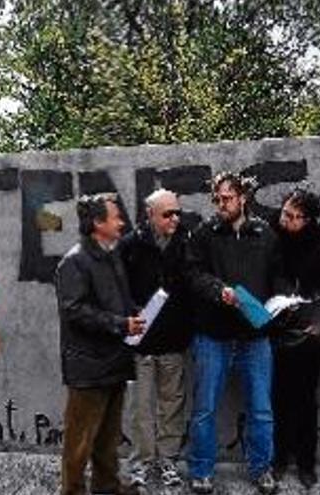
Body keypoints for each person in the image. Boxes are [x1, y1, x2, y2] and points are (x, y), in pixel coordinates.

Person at [185, 171, 288, 495]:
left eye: (226, 198)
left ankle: (261, 469)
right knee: (204, 409)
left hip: (254, 339)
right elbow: (191, 274)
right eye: (216, 198)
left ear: (243, 197)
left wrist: (280, 303)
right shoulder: (203, 233)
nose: (220, 204)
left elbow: (280, 277)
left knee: (260, 409)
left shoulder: (266, 235)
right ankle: (201, 471)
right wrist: (219, 291)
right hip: (212, 337)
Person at [55, 192, 144, 495]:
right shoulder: (75, 262)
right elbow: (74, 310)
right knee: (79, 443)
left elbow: (116, 299)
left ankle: (107, 487)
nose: (122, 221)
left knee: (108, 438)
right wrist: (120, 325)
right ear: (97, 223)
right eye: (116, 216)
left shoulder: (111, 255)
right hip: (88, 366)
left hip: (114, 361)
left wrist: (134, 314)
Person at [118, 188, 193, 487]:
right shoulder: (131, 245)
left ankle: (168, 462)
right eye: (167, 214)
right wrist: (130, 314)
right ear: (150, 215)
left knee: (172, 405)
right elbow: (117, 288)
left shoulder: (186, 242)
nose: (174, 218)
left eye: (177, 212)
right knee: (140, 408)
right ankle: (140, 464)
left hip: (174, 341)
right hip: (141, 343)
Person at [269, 188, 320, 488]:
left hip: (307, 336)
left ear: (308, 220)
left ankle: (306, 465)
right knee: (277, 400)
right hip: (275, 330)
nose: (290, 221)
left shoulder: (319, 245)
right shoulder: (268, 235)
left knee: (306, 401)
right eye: (287, 214)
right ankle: (279, 458)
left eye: (297, 218)